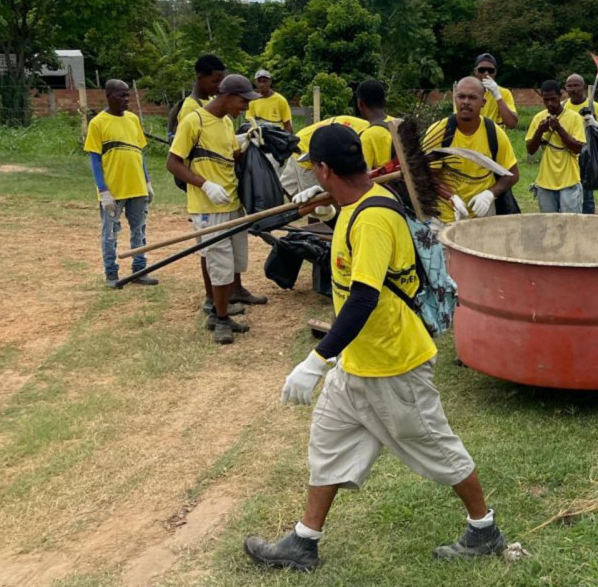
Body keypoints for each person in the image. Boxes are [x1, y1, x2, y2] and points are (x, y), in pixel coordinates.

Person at [244, 123, 506, 571]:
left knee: (436, 446)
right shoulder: (353, 205)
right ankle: (304, 543)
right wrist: (326, 214)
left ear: (325, 169)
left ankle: (484, 530)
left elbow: (364, 296)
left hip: (394, 362)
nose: (312, 178)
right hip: (360, 362)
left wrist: (316, 359)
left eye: (313, 171)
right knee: (328, 440)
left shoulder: (374, 217)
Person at [167, 74, 268, 344]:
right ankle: (220, 320)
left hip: (232, 202)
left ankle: (218, 310)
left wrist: (247, 142)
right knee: (220, 263)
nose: (245, 107)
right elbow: (173, 163)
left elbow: (231, 156)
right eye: (242, 101)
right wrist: (205, 185)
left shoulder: (225, 123)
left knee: (234, 261)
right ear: (227, 96)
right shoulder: (194, 122)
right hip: (208, 206)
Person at [85, 79, 157, 287]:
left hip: (137, 187)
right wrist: (103, 190)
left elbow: (138, 153)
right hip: (113, 190)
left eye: (128, 95)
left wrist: (147, 181)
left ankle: (140, 270)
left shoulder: (133, 119)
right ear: (108, 96)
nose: (126, 99)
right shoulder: (98, 123)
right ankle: (112, 273)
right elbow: (95, 159)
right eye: (121, 95)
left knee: (139, 230)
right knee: (110, 233)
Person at [423, 77, 520, 222]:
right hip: (445, 216)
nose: (466, 102)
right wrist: (452, 198)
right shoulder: (439, 132)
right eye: (461, 96)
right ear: (455, 100)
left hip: (482, 216)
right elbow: (428, 175)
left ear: (483, 103)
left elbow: (512, 174)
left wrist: (489, 194)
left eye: (472, 97)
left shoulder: (494, 132)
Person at [526, 79, 585, 213]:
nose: (550, 103)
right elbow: (530, 149)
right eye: (546, 100)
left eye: (553, 99)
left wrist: (558, 128)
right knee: (549, 225)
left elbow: (578, 148)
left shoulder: (574, 118)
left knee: (570, 224)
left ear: (561, 95)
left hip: (569, 182)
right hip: (545, 183)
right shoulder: (538, 118)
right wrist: (540, 130)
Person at [563, 73, 598, 214]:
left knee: (587, 196)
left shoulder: (594, 107)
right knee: (568, 193)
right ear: (565, 88)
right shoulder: (563, 106)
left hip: (587, 157)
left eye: (576, 85)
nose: (573, 89)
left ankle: (588, 225)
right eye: (569, 86)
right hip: (567, 157)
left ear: (583, 87)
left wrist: (594, 124)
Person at [168, 54, 226, 138]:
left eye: (221, 81)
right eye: (215, 81)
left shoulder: (212, 100)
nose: (219, 85)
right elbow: (184, 143)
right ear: (200, 77)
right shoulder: (189, 107)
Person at [467, 53, 518, 129]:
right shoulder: (466, 92)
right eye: (482, 70)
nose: (486, 73)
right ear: (475, 71)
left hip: (495, 137)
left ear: (495, 72)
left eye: (490, 70)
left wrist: (498, 96)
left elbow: (512, 124)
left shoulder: (504, 93)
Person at [354, 78, 394, 171]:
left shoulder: (368, 136)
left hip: (382, 185)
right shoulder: (400, 124)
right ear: (384, 102)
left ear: (360, 103)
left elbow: (363, 176)